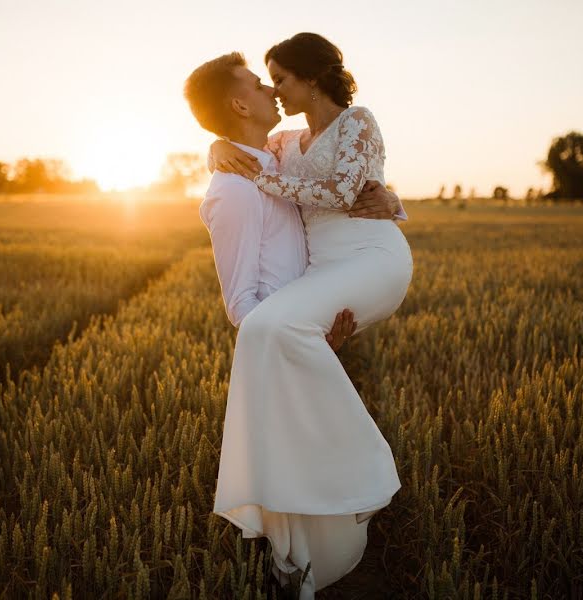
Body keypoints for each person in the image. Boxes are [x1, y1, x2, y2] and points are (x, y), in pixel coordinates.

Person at [185, 34, 412, 598]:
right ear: (241, 104)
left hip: (365, 259)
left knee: (267, 331)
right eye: (263, 83)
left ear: (310, 78)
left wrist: (395, 202)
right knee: (270, 336)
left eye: (279, 78)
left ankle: (362, 465)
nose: (273, 89)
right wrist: (216, 149)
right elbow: (243, 152)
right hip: (323, 278)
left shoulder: (341, 126)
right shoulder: (283, 145)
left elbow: (346, 185)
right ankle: (310, 539)